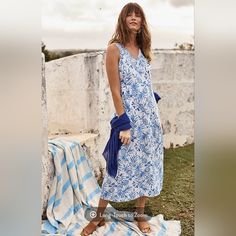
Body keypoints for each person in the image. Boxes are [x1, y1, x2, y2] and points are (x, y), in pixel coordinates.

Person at [80, 2, 164, 235]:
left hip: (150, 121)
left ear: (142, 21)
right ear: (123, 19)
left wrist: (153, 111)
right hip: (128, 121)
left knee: (147, 167)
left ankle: (140, 215)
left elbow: (145, 85)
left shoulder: (144, 48)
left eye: (138, 15)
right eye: (130, 14)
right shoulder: (114, 49)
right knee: (116, 170)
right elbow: (115, 90)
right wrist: (124, 124)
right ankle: (97, 218)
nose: (134, 18)